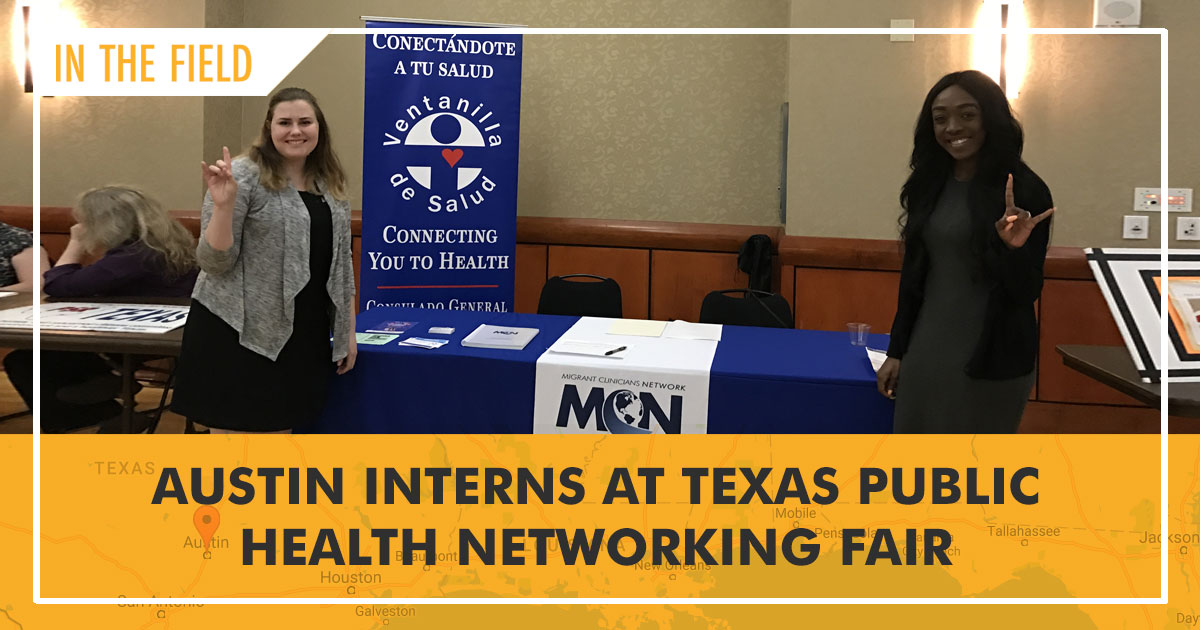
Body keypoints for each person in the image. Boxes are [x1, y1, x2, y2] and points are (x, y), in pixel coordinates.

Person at [876, 70, 1055, 433]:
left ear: (991, 117)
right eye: (940, 118)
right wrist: (897, 350)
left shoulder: (1025, 190)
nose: (953, 127)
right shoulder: (929, 184)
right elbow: (913, 277)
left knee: (974, 476)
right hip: (926, 348)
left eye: (967, 114)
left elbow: (1025, 291)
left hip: (992, 355)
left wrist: (1011, 250)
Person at [170, 87, 357, 434]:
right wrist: (224, 206)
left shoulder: (328, 182)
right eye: (284, 122)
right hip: (240, 332)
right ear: (269, 128)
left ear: (319, 128)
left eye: (305, 122)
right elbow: (214, 262)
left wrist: (347, 332)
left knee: (282, 440)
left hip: (303, 333)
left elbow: (341, 263)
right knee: (238, 451)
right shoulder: (242, 175)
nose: (295, 131)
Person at [5, 186, 198, 432]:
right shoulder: (157, 246)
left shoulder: (134, 255)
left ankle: (99, 408)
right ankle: (107, 403)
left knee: (26, 360)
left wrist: (75, 242)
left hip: (140, 337)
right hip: (156, 330)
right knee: (34, 357)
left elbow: (57, 284)